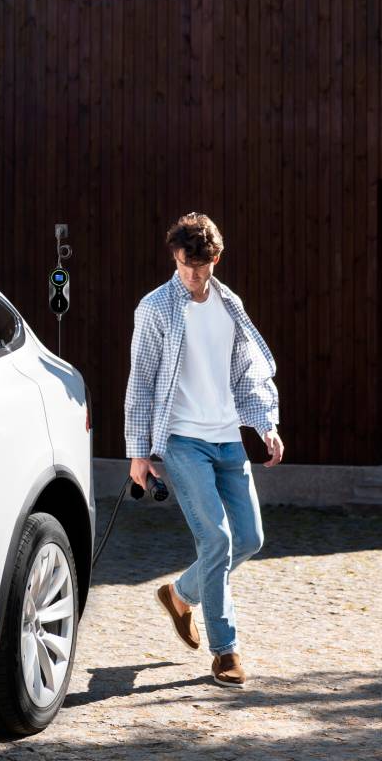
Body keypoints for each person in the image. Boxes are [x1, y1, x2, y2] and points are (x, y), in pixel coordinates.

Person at [124, 211, 283, 689]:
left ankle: (180, 593)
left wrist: (265, 424)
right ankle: (225, 652)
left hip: (228, 438)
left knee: (250, 538)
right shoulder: (155, 309)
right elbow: (142, 384)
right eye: (185, 264)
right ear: (175, 257)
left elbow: (246, 371)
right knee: (216, 541)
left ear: (217, 258)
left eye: (203, 265)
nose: (193, 274)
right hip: (182, 440)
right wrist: (139, 453)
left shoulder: (229, 304)